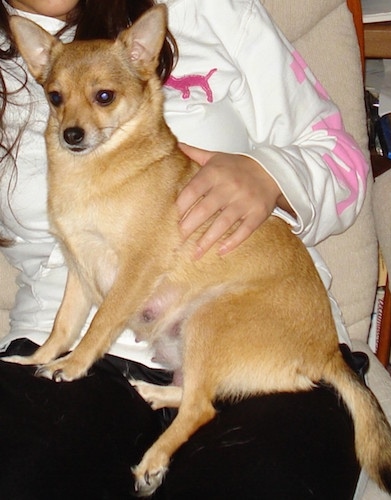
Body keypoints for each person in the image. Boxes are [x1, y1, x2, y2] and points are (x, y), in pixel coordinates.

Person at [0, 0, 369, 498]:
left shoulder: (210, 8)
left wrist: (270, 176)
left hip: (254, 337)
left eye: (104, 97)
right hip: (66, 357)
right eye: (60, 100)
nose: (75, 120)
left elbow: (344, 161)